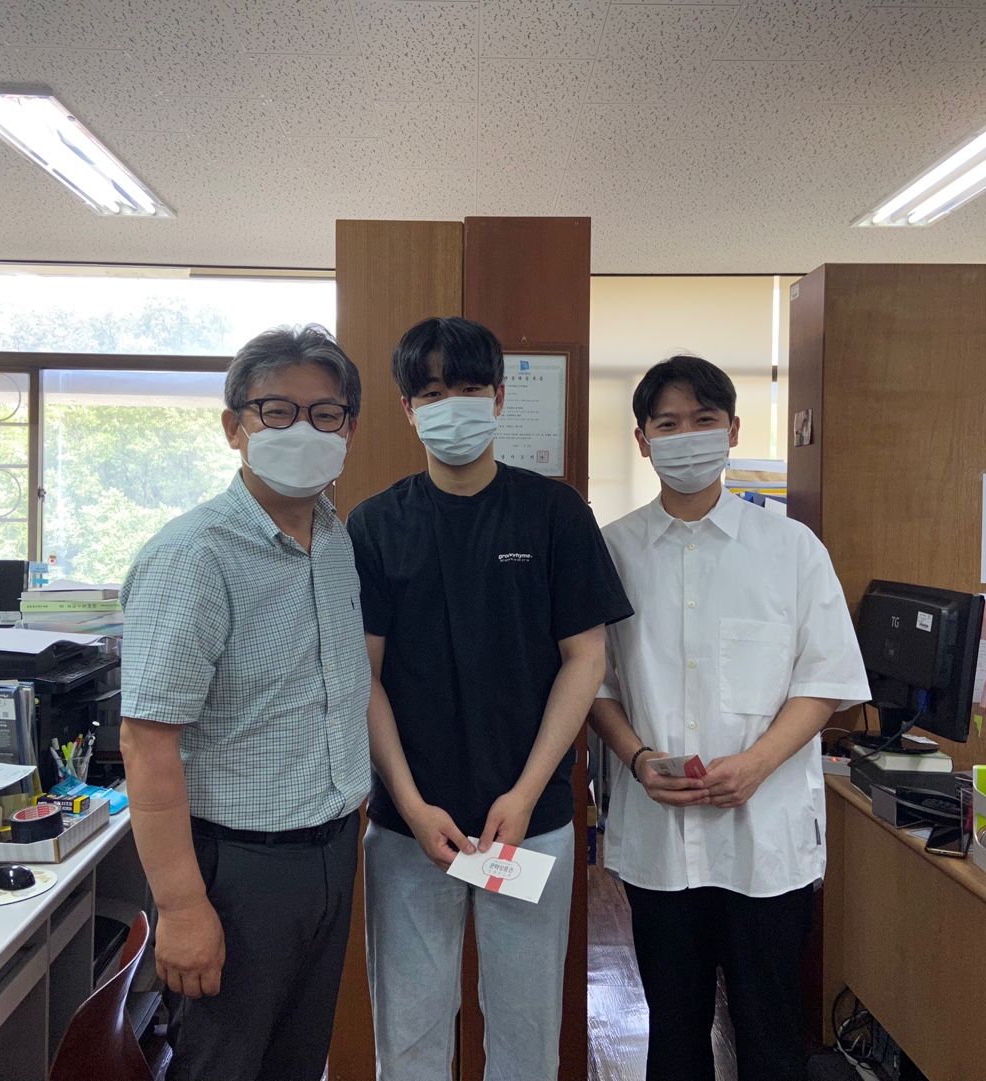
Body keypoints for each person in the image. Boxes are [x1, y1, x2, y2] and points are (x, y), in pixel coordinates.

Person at [347, 316, 633, 1081]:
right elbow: (363, 676)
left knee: (526, 1032)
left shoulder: (555, 513)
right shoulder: (374, 525)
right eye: (433, 392)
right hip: (410, 829)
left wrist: (527, 790)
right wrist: (411, 804)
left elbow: (586, 658)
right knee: (408, 1036)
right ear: (408, 408)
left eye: (470, 388)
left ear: (500, 397)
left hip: (530, 824)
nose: (453, 406)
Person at [588, 355, 870, 1081]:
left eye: (704, 420)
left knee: (769, 1031)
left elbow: (825, 681)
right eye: (668, 424)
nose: (687, 436)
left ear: (733, 430)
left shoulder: (791, 549)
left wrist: (757, 763)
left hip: (764, 838)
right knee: (673, 1031)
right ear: (643, 440)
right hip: (660, 837)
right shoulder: (612, 551)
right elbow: (594, 683)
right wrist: (636, 756)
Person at [118, 324, 371, 1081]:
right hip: (235, 871)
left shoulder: (335, 539)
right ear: (235, 427)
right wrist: (182, 907)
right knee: (221, 1065)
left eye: (325, 414)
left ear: (349, 429)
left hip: (331, 850)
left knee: (296, 1062)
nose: (304, 430)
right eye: (278, 411)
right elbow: (147, 742)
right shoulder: (193, 555)